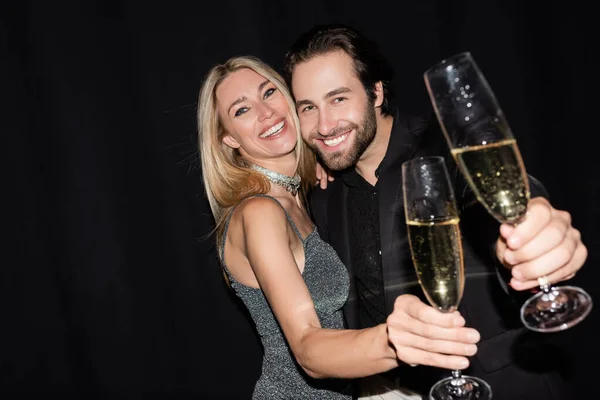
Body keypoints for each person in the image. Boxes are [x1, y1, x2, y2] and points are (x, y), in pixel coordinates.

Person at [283, 24, 587, 400]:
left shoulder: (442, 147)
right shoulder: (323, 195)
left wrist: (537, 229)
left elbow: (497, 193)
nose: (324, 125)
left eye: (339, 99)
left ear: (376, 92)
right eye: (308, 108)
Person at [196, 56, 480, 399]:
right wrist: (399, 339)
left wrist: (316, 161)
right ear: (229, 140)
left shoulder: (303, 195)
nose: (266, 112)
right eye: (242, 110)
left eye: (269, 92)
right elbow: (306, 346)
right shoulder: (259, 212)